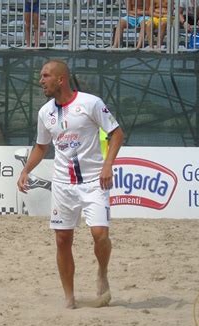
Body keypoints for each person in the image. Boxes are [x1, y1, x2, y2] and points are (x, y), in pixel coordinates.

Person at [17, 60, 124, 309]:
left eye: (45, 76)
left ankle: (102, 271)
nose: (40, 81)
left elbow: (117, 133)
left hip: (94, 180)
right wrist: (25, 170)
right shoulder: (45, 112)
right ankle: (69, 298)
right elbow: (42, 147)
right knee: (63, 240)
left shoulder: (90, 103)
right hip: (63, 185)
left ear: (61, 79)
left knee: (100, 235)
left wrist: (108, 165)